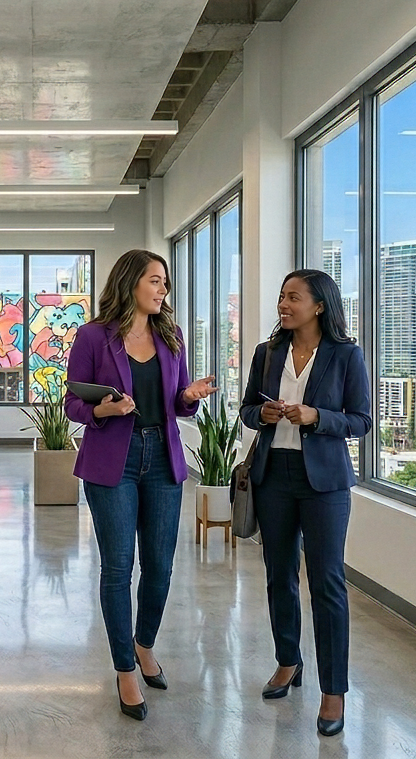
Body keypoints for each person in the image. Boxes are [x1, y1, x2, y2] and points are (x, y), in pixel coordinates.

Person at [64, 249, 217, 721]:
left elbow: (178, 401)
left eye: (165, 283)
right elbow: (73, 400)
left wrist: (188, 397)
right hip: (114, 459)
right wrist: (101, 411)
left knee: (160, 566)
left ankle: (144, 643)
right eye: (155, 280)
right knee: (117, 568)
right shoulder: (93, 336)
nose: (162, 290)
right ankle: (125, 668)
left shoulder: (171, 337)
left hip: (162, 457)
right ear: (131, 282)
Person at [239, 269, 372, 737]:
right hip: (274, 475)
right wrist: (265, 413)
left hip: (325, 484)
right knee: (279, 576)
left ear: (319, 305)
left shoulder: (345, 355)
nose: (283, 304)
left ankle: (333, 690)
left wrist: (317, 416)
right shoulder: (268, 352)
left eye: (293, 297)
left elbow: (361, 421)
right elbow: (246, 410)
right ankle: (288, 661)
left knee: (327, 583)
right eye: (281, 296)